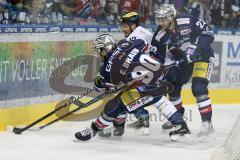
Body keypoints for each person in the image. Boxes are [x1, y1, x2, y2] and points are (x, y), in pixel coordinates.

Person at [74, 34, 191, 141]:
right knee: (157, 98)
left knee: (115, 104)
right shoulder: (126, 44)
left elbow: (106, 86)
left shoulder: (107, 68)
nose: (98, 54)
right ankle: (181, 126)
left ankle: (93, 131)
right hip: (163, 76)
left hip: (148, 87)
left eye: (99, 51)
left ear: (104, 50)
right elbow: (144, 44)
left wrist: (102, 83)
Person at [151, 4, 215, 136]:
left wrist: (199, 48)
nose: (160, 22)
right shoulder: (159, 35)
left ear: (171, 17)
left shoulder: (187, 20)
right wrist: (162, 69)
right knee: (173, 86)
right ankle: (177, 117)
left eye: (163, 19)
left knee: (199, 88)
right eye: (159, 19)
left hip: (203, 56)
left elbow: (208, 32)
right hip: (184, 61)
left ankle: (207, 124)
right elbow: (157, 56)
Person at [98, 11, 153, 138]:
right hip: (142, 72)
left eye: (124, 26)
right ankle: (122, 125)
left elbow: (125, 56)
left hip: (141, 74)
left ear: (133, 26)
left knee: (123, 98)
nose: (123, 29)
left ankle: (138, 119)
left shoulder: (139, 35)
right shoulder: (137, 34)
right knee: (122, 98)